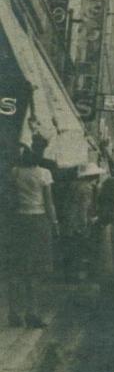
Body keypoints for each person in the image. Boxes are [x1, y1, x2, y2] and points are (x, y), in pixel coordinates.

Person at [3, 136, 59, 328]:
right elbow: (49, 203)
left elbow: (9, 196)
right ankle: (32, 313)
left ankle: (13, 313)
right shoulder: (44, 173)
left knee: (17, 268)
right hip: (38, 221)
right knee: (35, 271)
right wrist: (55, 223)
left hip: (19, 221)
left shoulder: (15, 172)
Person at [60, 163, 104, 282]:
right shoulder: (87, 188)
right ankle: (77, 276)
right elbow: (84, 208)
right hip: (77, 222)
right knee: (79, 249)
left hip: (68, 220)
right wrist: (85, 224)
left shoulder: (73, 185)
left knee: (69, 249)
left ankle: (68, 275)